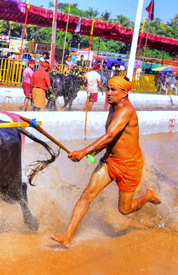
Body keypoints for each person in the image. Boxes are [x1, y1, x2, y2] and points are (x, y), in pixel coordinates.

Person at [50, 75, 162, 248]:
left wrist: (84, 151)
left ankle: (148, 195)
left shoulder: (126, 111)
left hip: (129, 166)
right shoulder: (113, 107)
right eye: (108, 88)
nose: (108, 93)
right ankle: (68, 236)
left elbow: (109, 135)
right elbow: (111, 140)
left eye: (113, 90)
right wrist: (91, 152)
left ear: (124, 93)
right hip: (110, 161)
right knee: (87, 195)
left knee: (124, 210)